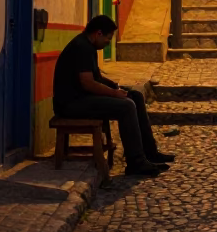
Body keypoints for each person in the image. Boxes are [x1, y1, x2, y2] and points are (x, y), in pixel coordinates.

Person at [53, 15, 175, 177]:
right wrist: (114, 94)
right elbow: (88, 83)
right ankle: (136, 162)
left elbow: (97, 78)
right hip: (72, 104)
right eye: (108, 38)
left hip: (82, 98)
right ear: (98, 33)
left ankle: (149, 152)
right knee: (126, 106)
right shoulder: (81, 48)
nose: (108, 43)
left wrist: (116, 87)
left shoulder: (88, 46)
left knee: (135, 96)